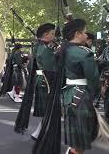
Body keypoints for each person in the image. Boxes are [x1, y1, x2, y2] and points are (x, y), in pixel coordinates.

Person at [33, 19, 100, 154]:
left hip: (68, 95)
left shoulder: (62, 51)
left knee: (76, 139)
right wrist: (95, 94)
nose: (87, 36)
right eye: (85, 32)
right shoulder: (84, 53)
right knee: (81, 140)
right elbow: (93, 79)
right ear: (77, 34)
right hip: (82, 96)